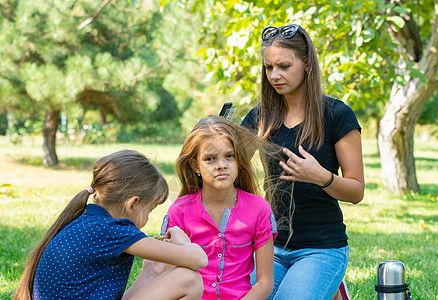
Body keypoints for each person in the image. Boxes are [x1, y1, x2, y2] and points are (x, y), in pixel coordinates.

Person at [241, 24, 365, 300]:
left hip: (320, 248)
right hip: (267, 246)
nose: (275, 75)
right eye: (269, 67)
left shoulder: (337, 114)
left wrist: (321, 177)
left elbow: (357, 191)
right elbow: (229, 165)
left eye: (284, 66)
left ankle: (327, 285)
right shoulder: (260, 117)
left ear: (307, 64)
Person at [14, 150, 208, 300]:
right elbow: (199, 260)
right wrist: (183, 241)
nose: (148, 218)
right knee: (188, 279)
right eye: (150, 210)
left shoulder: (88, 222)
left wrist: (151, 271)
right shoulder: (114, 231)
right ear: (133, 204)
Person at [160, 115, 278, 299]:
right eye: (210, 159)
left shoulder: (259, 209)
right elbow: (167, 278)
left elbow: (265, 283)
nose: (221, 165)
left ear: (239, 159)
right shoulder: (179, 211)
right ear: (195, 165)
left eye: (229, 156)